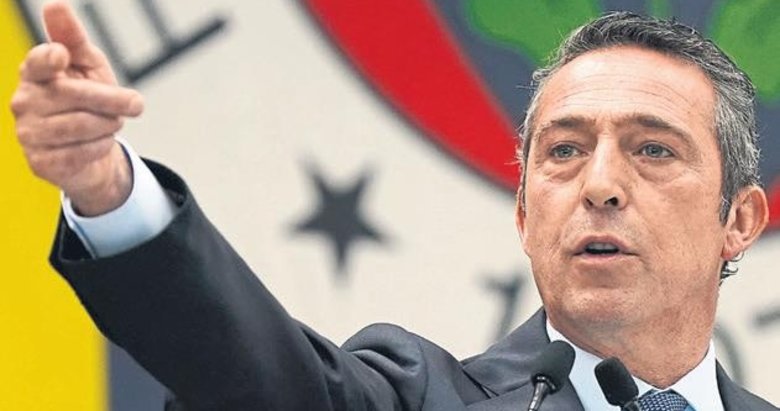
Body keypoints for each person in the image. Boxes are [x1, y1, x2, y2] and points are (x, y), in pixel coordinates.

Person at [11, 1, 778, 410]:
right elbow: (250, 375)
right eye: (565, 150)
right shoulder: (415, 395)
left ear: (739, 220)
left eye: (653, 149)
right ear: (524, 215)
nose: (599, 184)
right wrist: (108, 188)